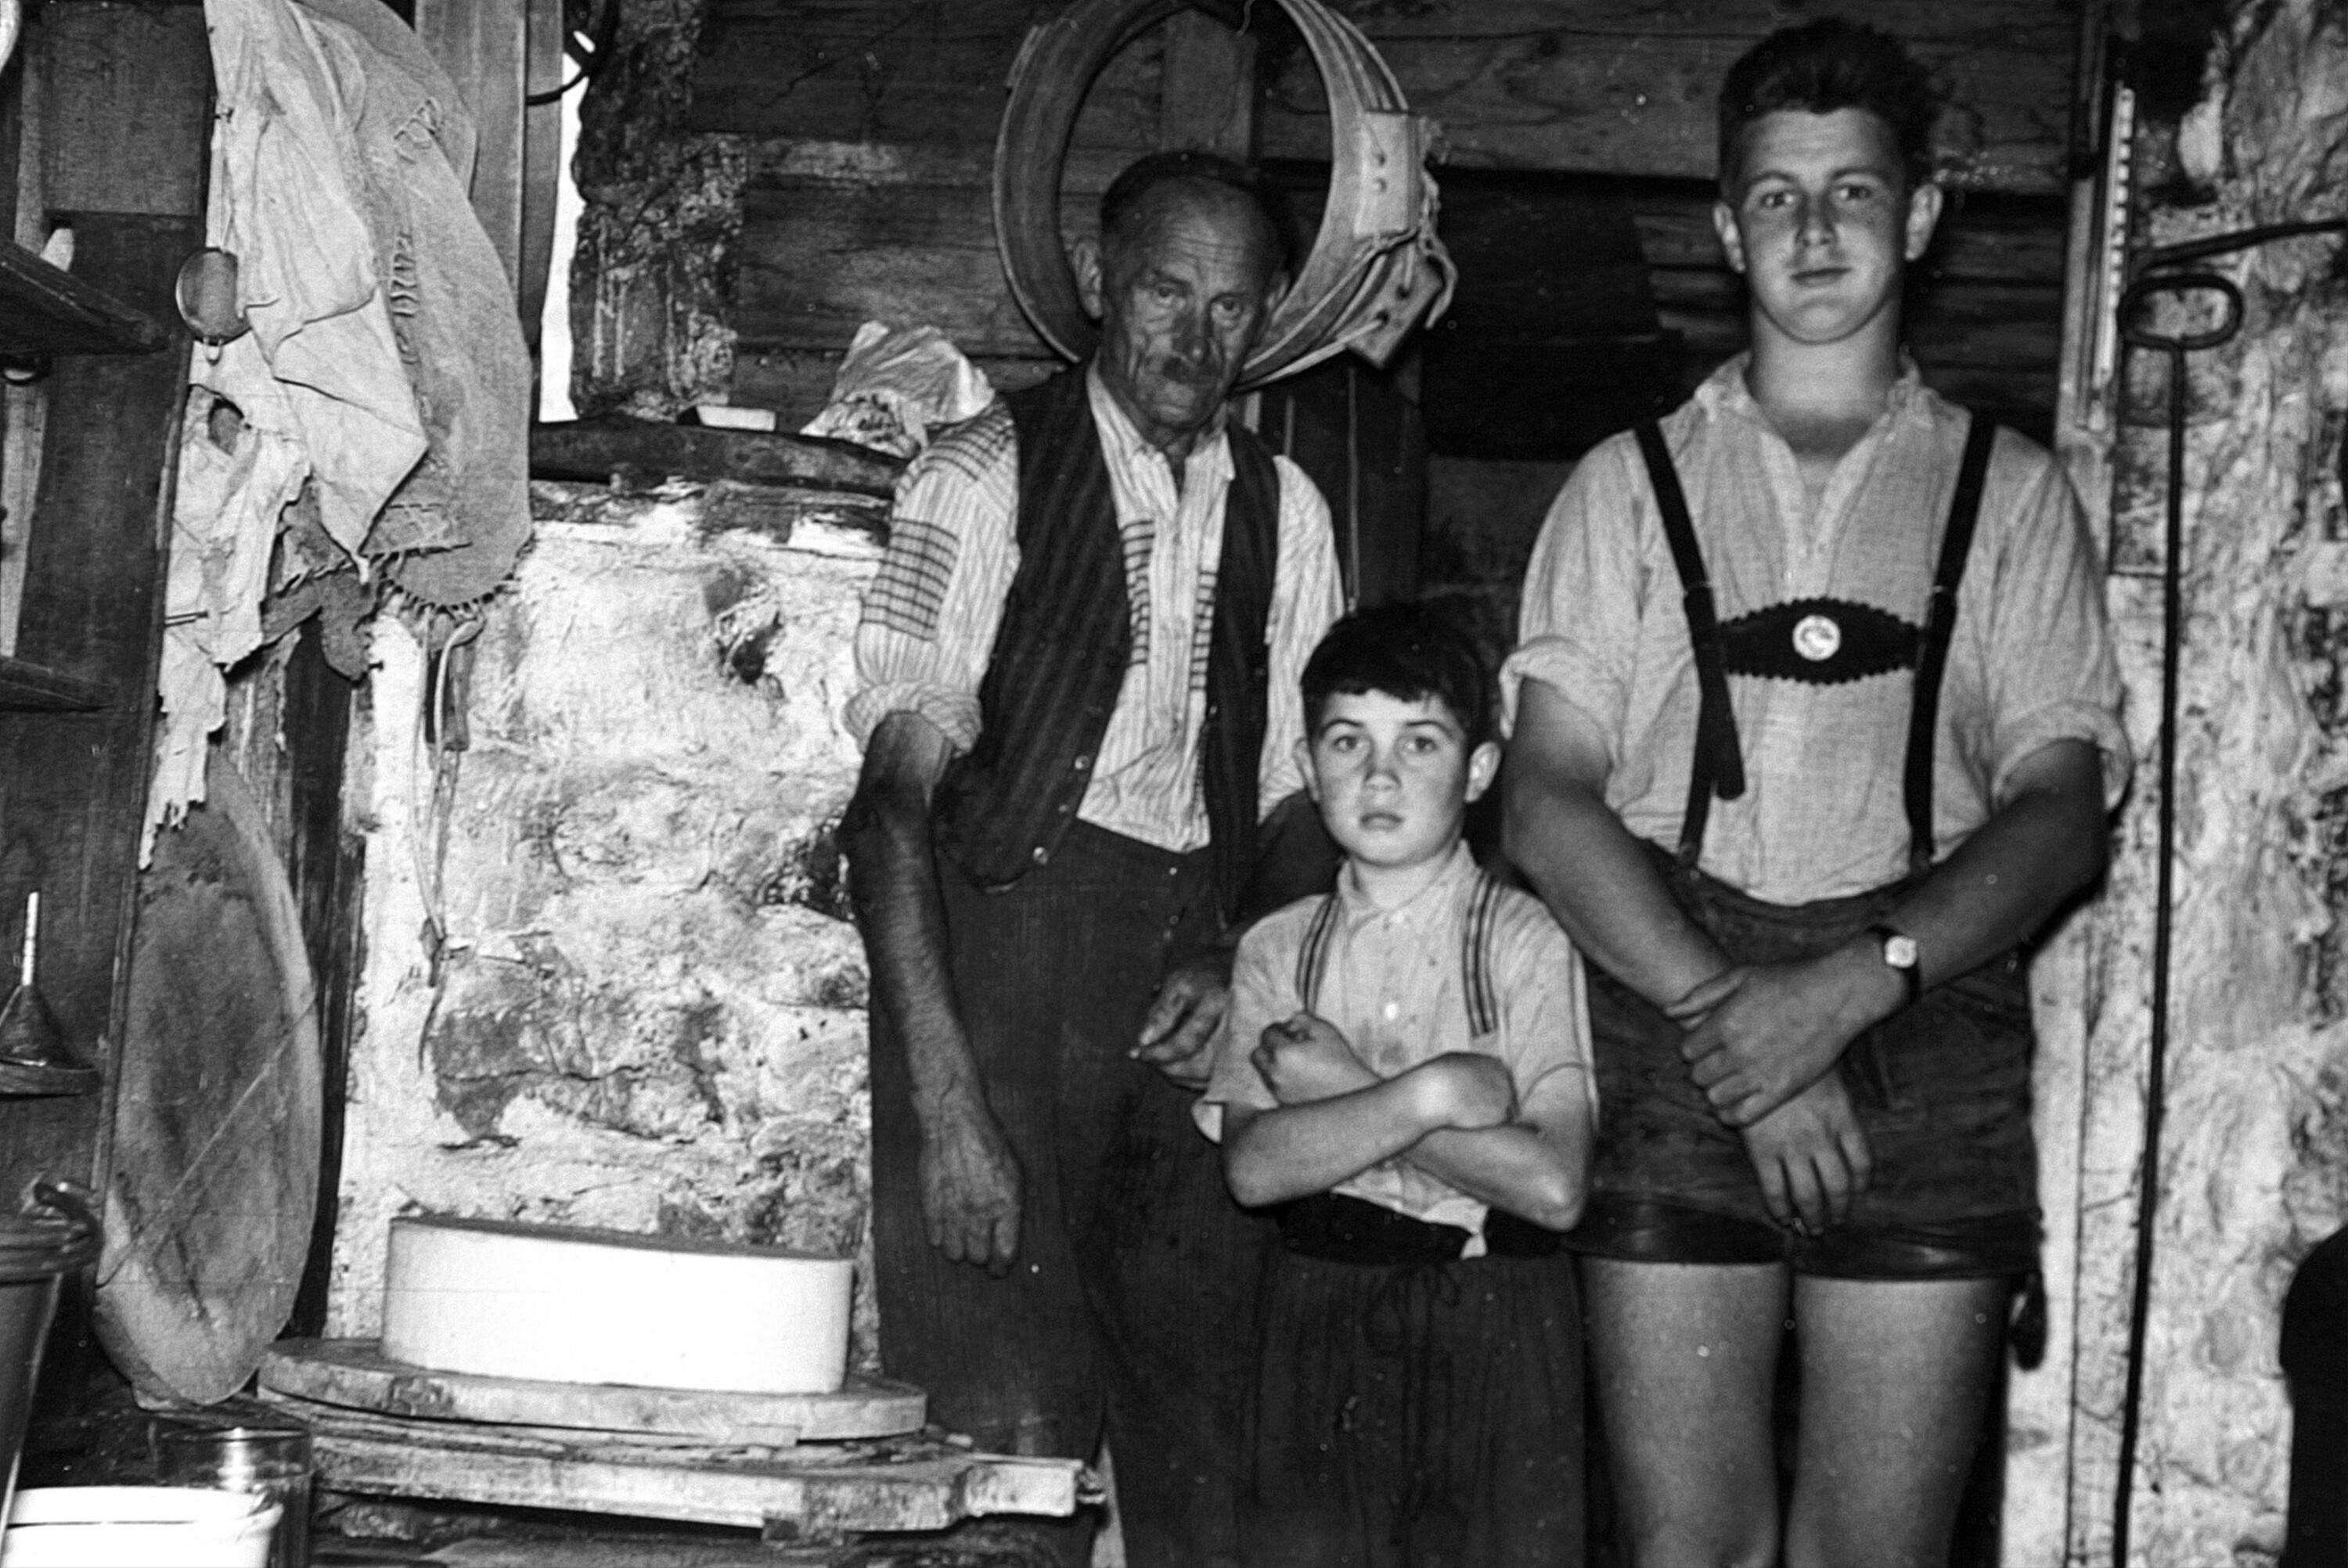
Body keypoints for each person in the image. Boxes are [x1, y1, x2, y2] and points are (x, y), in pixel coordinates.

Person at [1501, 19, 2130, 1568]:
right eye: (1777, 196)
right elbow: (1545, 804)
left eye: (1855, 191)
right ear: (1729, 228)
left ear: (1921, 216)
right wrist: (1748, 1033)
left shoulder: (2012, 493)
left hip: (1928, 1019)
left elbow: (2059, 807)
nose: (1817, 230)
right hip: (1678, 1021)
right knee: (1690, 1551)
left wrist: (1852, 986)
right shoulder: (1626, 483)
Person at [840, 149, 1345, 1568]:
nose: (1195, 339)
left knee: (1210, 1444)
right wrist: (950, 1107)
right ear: (1100, 283)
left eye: (1231, 307)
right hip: (1004, 982)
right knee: (1006, 1450)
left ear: (1264, 317)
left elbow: (1307, 802)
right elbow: (887, 815)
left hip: (1193, 994)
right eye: (1166, 292)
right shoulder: (979, 473)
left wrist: (1242, 953)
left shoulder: (1289, 510)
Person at [1197, 602, 1595, 1568]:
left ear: (1480, 770)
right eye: (1348, 741)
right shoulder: (1277, 950)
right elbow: (1254, 1169)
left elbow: (1553, 1186)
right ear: (1307, 765)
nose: (1380, 776)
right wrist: (1425, 1096)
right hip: (1320, 1310)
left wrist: (1339, 1086)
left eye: (1420, 742)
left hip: (1494, 1314)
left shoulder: (1527, 942)